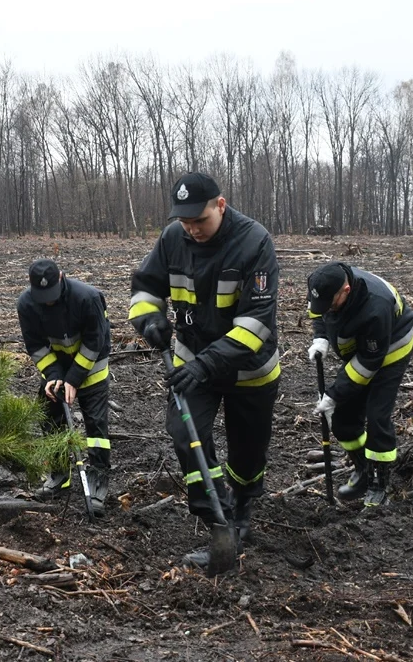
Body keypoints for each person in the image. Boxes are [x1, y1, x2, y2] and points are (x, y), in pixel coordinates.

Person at [129, 172, 280, 569]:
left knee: (247, 454)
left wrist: (207, 363)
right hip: (191, 362)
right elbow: (144, 288)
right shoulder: (172, 239)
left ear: (221, 205)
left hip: (248, 368)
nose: (192, 229)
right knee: (185, 434)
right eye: (185, 221)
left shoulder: (254, 242)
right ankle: (219, 519)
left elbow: (257, 322)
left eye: (200, 220)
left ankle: (244, 505)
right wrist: (149, 322)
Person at [307, 262, 413, 507]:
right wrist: (321, 338)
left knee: (377, 417)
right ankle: (363, 469)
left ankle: (379, 483)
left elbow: (367, 364)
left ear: (345, 289)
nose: (327, 308)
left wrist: (333, 394)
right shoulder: (321, 284)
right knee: (343, 420)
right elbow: (318, 311)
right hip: (361, 348)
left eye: (332, 303)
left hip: (391, 349)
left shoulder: (376, 307)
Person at [17, 259, 112, 516]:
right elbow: (36, 345)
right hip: (57, 366)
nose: (48, 301)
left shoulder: (88, 298)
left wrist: (74, 378)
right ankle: (60, 475)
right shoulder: (26, 304)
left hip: (90, 365)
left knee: (95, 426)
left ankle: (98, 481)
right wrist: (54, 375)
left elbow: (95, 340)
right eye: (42, 296)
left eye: (52, 295)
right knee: (49, 418)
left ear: (62, 277)